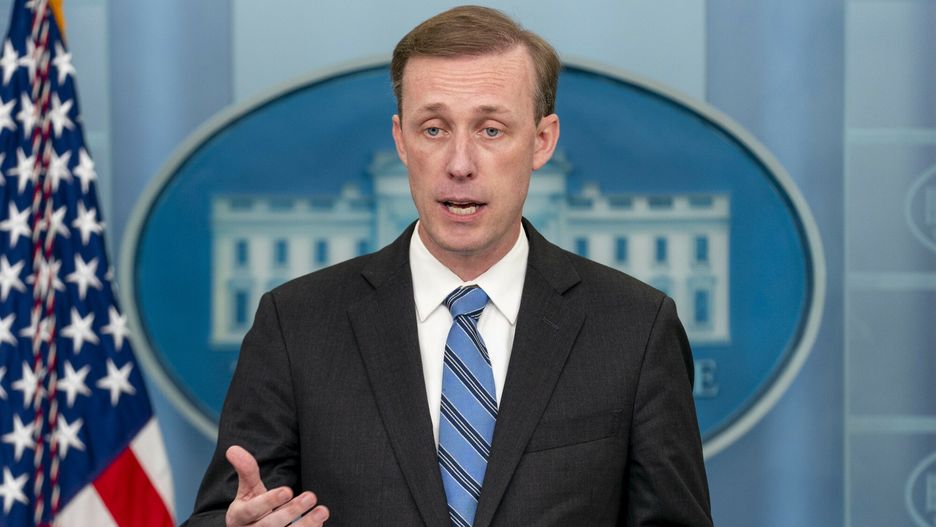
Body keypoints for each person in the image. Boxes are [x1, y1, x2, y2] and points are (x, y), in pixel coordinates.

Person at [185, 6, 712, 527]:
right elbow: (223, 513)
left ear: (542, 140)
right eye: (434, 129)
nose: (459, 164)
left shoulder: (635, 327)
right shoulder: (296, 323)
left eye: (490, 130)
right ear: (400, 140)